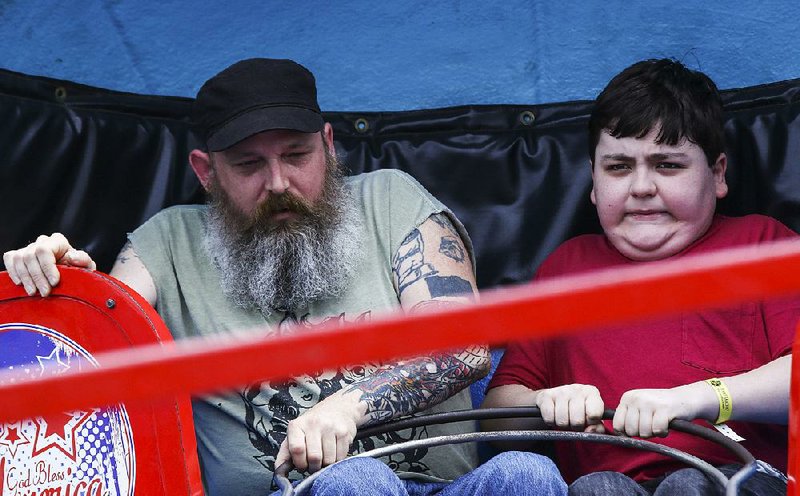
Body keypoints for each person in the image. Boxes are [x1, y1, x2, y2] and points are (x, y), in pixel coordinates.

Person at [3, 58, 566, 495]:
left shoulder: (392, 201)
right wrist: (67, 289)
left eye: (296, 155)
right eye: (248, 165)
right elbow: (104, 343)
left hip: (445, 487)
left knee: (527, 473)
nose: (278, 182)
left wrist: (346, 408)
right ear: (207, 172)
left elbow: (463, 349)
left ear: (328, 145)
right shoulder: (167, 243)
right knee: (352, 483)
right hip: (300, 491)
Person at [481, 58, 797, 495]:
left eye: (667, 165)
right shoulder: (565, 270)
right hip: (607, 483)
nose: (641, 187)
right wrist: (544, 401)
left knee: (689, 484)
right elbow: (498, 411)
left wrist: (698, 398)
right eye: (618, 167)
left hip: (740, 475)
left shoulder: (762, 245)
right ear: (593, 181)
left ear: (718, 174)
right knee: (598, 489)